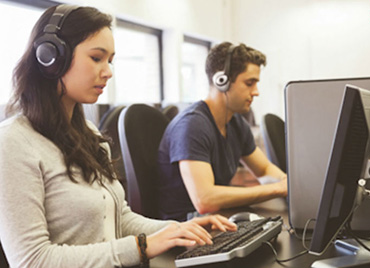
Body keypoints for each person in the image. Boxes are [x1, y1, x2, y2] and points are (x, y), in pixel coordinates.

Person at [0, 5, 236, 268]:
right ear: (52, 57)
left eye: (109, 60)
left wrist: (179, 229)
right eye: (96, 58)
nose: (108, 71)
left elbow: (118, 218)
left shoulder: (88, 134)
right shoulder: (13, 143)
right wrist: (142, 247)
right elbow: (31, 261)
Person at [157, 42, 288, 221]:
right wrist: (277, 189)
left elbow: (264, 169)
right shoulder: (192, 125)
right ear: (222, 82)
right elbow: (204, 200)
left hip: (217, 218)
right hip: (186, 227)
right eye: (249, 83)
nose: (256, 92)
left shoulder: (235, 123)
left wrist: (288, 185)